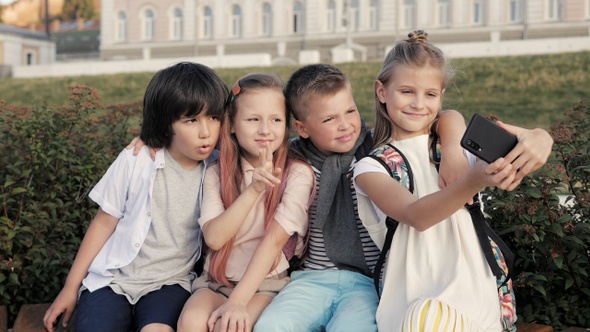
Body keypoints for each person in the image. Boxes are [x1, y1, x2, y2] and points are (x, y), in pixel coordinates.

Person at [352, 30, 552, 331]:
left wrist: (541, 138)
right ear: (382, 91)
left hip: (476, 293)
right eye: (407, 91)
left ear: (441, 96)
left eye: (430, 94)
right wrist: (474, 180)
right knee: (427, 316)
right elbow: (416, 216)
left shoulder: (461, 146)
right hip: (412, 301)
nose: (419, 104)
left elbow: (528, 139)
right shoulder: (370, 166)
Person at [254, 63, 473, 332]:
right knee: (271, 326)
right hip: (310, 278)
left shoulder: (378, 147)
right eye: (329, 119)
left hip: (368, 281)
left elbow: (447, 116)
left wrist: (452, 148)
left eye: (350, 111)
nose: (345, 125)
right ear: (302, 128)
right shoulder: (292, 160)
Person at [42, 62, 228, 332]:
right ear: (167, 122)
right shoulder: (137, 159)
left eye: (213, 117)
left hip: (170, 282)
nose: (206, 132)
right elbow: (104, 222)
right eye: (191, 120)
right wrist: (70, 289)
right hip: (112, 280)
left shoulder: (218, 167)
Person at [176, 73, 314, 332]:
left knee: (229, 327)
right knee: (192, 322)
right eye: (253, 119)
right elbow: (215, 239)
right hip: (216, 281)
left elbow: (274, 241)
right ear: (231, 124)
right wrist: (253, 190)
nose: (265, 129)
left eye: (275, 119)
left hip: (265, 285)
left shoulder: (297, 174)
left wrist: (238, 301)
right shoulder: (218, 173)